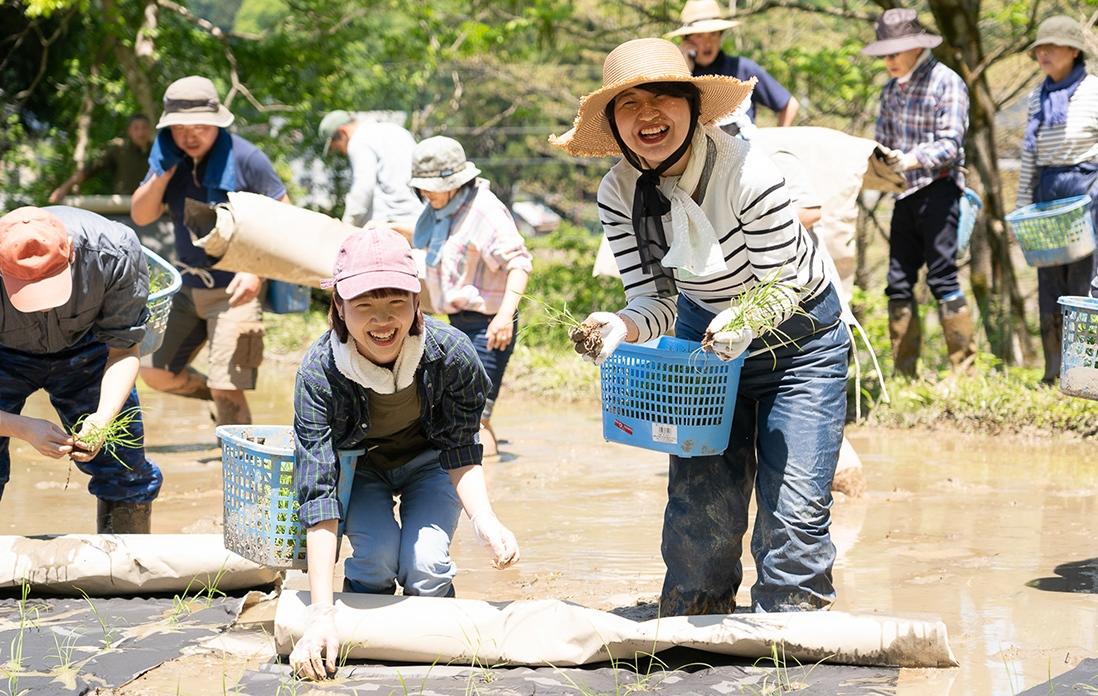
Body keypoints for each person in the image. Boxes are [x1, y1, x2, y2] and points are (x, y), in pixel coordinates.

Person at [550, 38, 850, 614]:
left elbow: (782, 286)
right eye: (630, 104)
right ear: (613, 124)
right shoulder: (618, 190)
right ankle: (694, 629)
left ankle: (796, 639)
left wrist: (743, 322)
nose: (648, 115)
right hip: (703, 342)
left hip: (800, 341)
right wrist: (622, 325)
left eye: (664, 98)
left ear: (693, 105)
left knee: (792, 517)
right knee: (699, 516)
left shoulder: (747, 173)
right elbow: (655, 298)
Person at [288, 227, 519, 680]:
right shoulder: (319, 373)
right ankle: (354, 648)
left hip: (430, 464)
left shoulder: (452, 353)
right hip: (362, 468)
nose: (382, 320)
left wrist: (486, 521)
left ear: (417, 302)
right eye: (364, 306)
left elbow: (460, 449)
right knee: (374, 561)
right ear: (338, 306)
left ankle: (441, 666)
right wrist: (319, 612)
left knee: (428, 567)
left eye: (396, 302)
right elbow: (319, 493)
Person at [131, 76, 289, 425]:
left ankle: (239, 468)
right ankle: (215, 395)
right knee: (153, 373)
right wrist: (163, 172)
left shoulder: (247, 158)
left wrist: (256, 273)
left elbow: (284, 218)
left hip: (234, 290)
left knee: (228, 388)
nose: (191, 136)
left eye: (201, 126)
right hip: (187, 288)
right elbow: (141, 214)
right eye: (180, 128)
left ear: (217, 122)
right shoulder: (168, 160)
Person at [0, 206, 162, 532]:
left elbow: (124, 350)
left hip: (88, 350)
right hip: (4, 354)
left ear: (71, 253)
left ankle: (124, 573)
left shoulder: (115, 252)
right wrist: (22, 427)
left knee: (124, 466)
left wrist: (102, 419)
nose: (43, 306)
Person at [863, 8, 975, 376]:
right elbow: (882, 142)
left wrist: (909, 160)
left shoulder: (947, 82)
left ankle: (964, 371)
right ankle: (904, 374)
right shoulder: (890, 91)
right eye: (885, 54)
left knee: (943, 276)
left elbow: (951, 145)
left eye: (895, 52)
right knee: (897, 282)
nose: (889, 60)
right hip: (902, 195)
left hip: (940, 189)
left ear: (916, 48)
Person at [408, 136, 532, 457]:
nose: (426, 193)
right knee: (460, 414)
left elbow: (519, 264)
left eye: (432, 186)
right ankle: (478, 483)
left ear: (456, 182)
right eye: (421, 187)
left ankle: (486, 486)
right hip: (455, 324)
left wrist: (505, 317)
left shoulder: (484, 210)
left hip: (489, 326)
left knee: (475, 418)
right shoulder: (439, 212)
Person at [1015, 16, 1098, 384]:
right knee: (1049, 278)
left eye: (1052, 47)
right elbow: (1030, 155)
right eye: (1039, 49)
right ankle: (1053, 371)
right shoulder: (1037, 96)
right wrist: (1021, 206)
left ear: (1074, 50)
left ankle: (1084, 373)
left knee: (1085, 278)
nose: (1043, 54)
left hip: (1086, 188)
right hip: (1046, 191)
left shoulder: (1093, 91)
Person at [667, 0, 799, 127]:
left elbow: (789, 104)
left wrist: (779, 140)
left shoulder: (742, 68)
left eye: (713, 34)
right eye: (699, 35)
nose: (708, 43)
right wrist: (685, 73)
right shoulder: (678, 76)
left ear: (720, 35)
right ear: (686, 40)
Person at [318, 110, 423, 234]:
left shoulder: (359, 141)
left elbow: (363, 188)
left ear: (343, 132)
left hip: (390, 225)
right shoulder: (396, 130)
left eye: (337, 146)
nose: (342, 152)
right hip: (417, 220)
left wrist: (346, 226)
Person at [49, 114, 154, 203]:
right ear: (129, 131)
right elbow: (91, 168)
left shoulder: (159, 150)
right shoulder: (119, 149)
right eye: (136, 128)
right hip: (124, 206)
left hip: (153, 205)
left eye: (144, 127)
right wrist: (64, 188)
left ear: (150, 130)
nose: (141, 133)